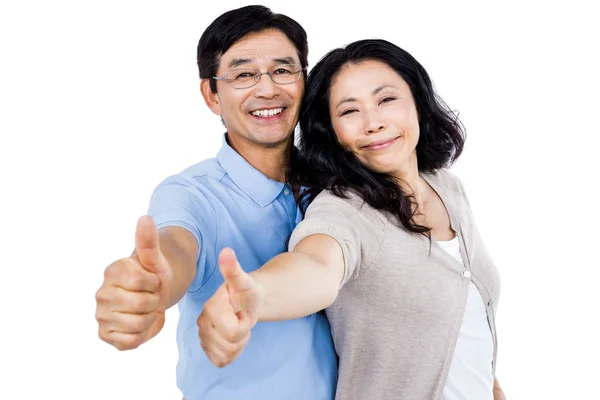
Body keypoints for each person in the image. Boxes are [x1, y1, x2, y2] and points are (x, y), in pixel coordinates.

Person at [198, 39, 507, 400]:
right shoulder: (344, 211)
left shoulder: (447, 188)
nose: (372, 123)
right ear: (333, 133)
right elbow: (316, 265)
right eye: (349, 111)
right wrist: (257, 296)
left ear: (418, 103)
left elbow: (470, 334)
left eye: (386, 100)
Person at [94, 5, 338, 400]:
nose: (267, 89)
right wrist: (152, 285)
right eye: (243, 75)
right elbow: (175, 246)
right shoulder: (191, 194)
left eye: (283, 70)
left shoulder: (332, 184)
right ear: (211, 94)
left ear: (305, 82)